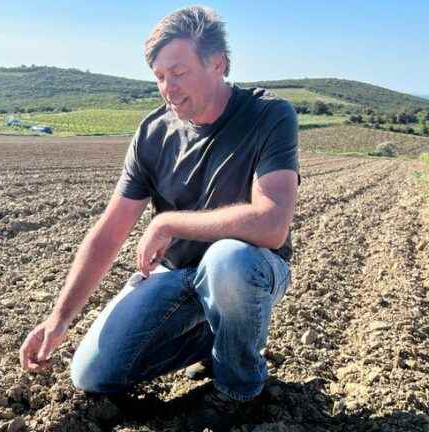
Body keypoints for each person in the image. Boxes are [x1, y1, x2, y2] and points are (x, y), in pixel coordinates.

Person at [19, 5, 299, 429]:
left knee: (228, 261)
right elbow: (109, 233)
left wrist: (168, 223)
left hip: (249, 270)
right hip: (175, 277)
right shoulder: (153, 133)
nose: (168, 88)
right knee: (92, 374)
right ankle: (215, 340)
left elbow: (272, 225)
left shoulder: (269, 116)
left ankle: (239, 390)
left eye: (179, 72)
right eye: (159, 77)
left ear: (217, 63)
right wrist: (58, 320)